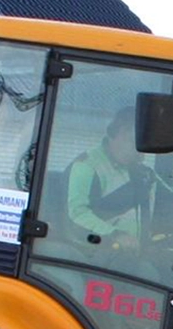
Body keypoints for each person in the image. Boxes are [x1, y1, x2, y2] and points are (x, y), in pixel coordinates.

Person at [66, 107, 156, 249]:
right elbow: (77, 215)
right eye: (140, 141)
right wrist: (115, 235)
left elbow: (172, 202)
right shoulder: (86, 166)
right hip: (94, 254)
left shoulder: (144, 174)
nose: (143, 151)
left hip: (136, 253)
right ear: (122, 132)